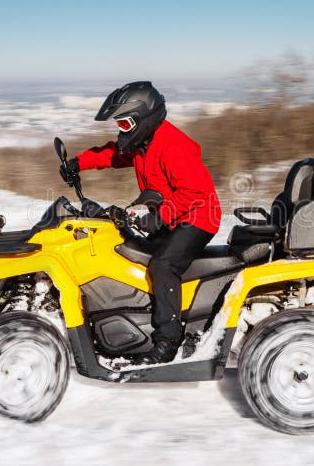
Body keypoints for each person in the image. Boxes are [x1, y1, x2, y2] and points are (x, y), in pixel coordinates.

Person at [59, 81, 221, 364]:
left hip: (198, 216)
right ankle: (140, 324)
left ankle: (169, 341)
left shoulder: (175, 147)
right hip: (173, 213)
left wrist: (159, 217)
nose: (120, 130)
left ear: (142, 120)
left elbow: (196, 193)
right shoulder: (142, 144)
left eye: (123, 124)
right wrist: (78, 163)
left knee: (163, 264)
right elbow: (113, 154)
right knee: (136, 256)